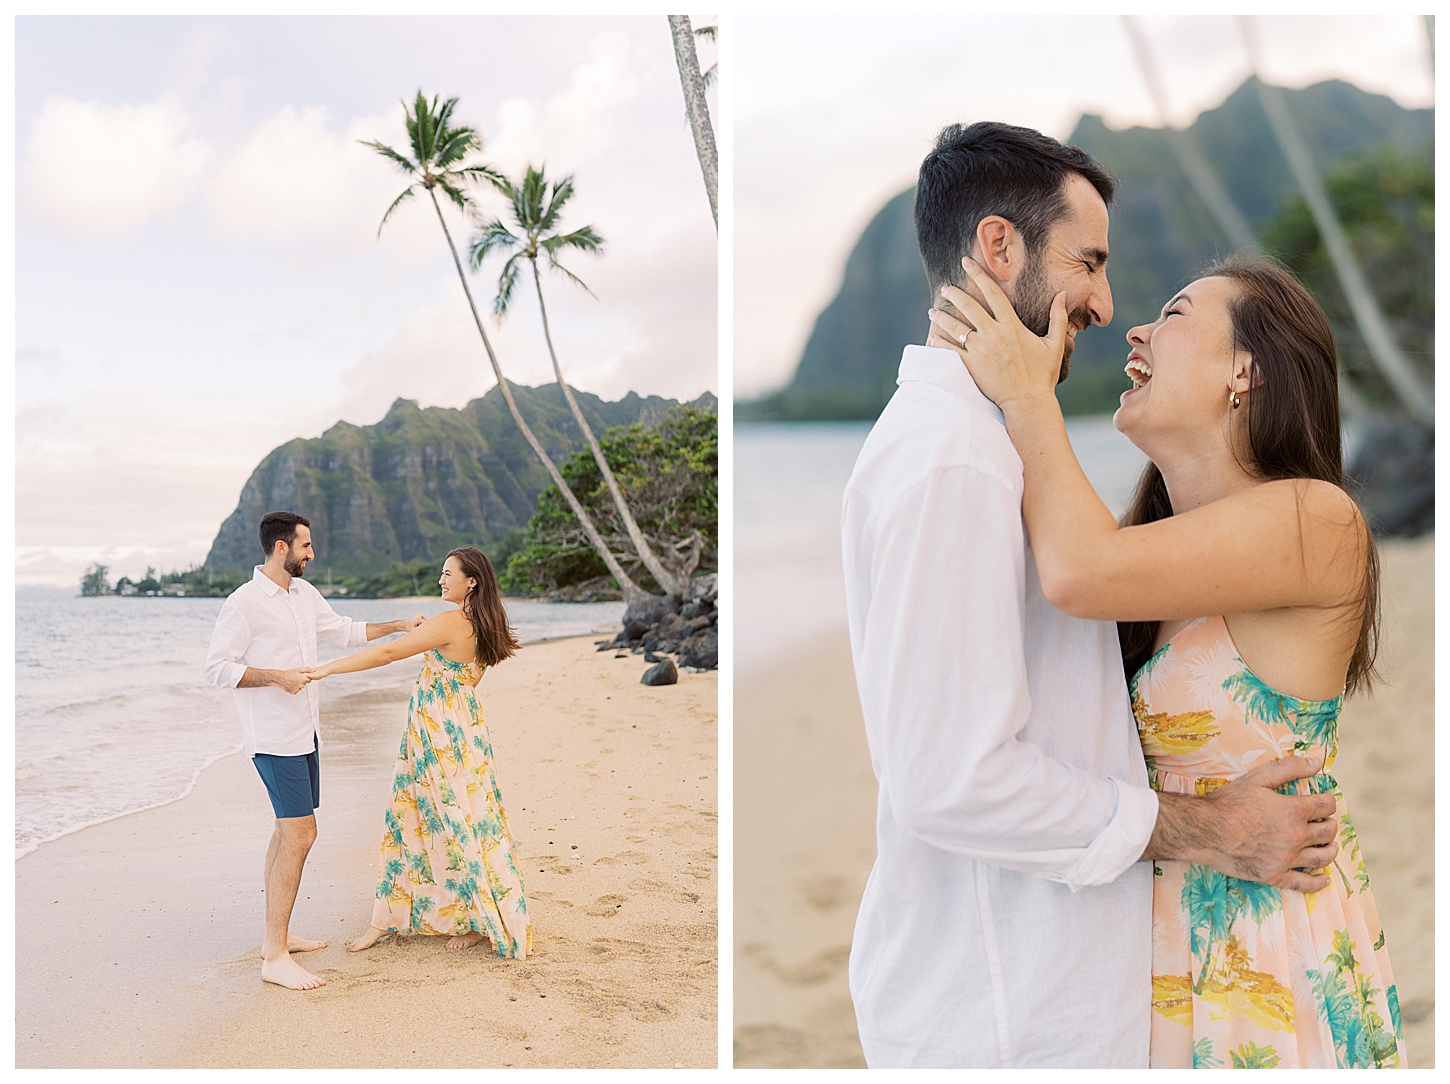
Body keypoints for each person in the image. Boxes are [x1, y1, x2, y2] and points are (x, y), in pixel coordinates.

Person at [840, 122, 1339, 1069]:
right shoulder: (957, 460)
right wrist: (1203, 827)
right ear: (999, 246)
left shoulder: (1004, 459)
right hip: (1007, 1012)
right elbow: (950, 780)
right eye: (1091, 262)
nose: (1112, 307)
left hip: (1096, 988)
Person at [927, 251, 1405, 1069]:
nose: (1137, 332)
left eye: (1176, 315)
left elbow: (1077, 572)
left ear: (1246, 371)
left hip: (1260, 945)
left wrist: (1026, 394)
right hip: (1137, 950)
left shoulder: (1318, 521)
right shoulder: (1143, 550)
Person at [203, 511, 424, 991]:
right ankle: (276, 956)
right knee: (301, 836)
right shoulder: (243, 603)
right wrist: (274, 676)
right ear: (282, 547)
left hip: (306, 731)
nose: (312, 554)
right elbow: (217, 668)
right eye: (306, 546)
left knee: (286, 835)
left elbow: (344, 631)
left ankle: (273, 939)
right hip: (273, 739)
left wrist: (400, 625)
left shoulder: (304, 594)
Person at [303, 547, 531, 959]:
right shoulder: (483, 623)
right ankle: (446, 914)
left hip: (438, 731)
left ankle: (415, 918)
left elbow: (390, 652)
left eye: (448, 574)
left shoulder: (452, 622)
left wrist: (328, 669)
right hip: (464, 728)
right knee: (466, 815)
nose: (441, 580)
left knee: (424, 815)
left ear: (471, 580)